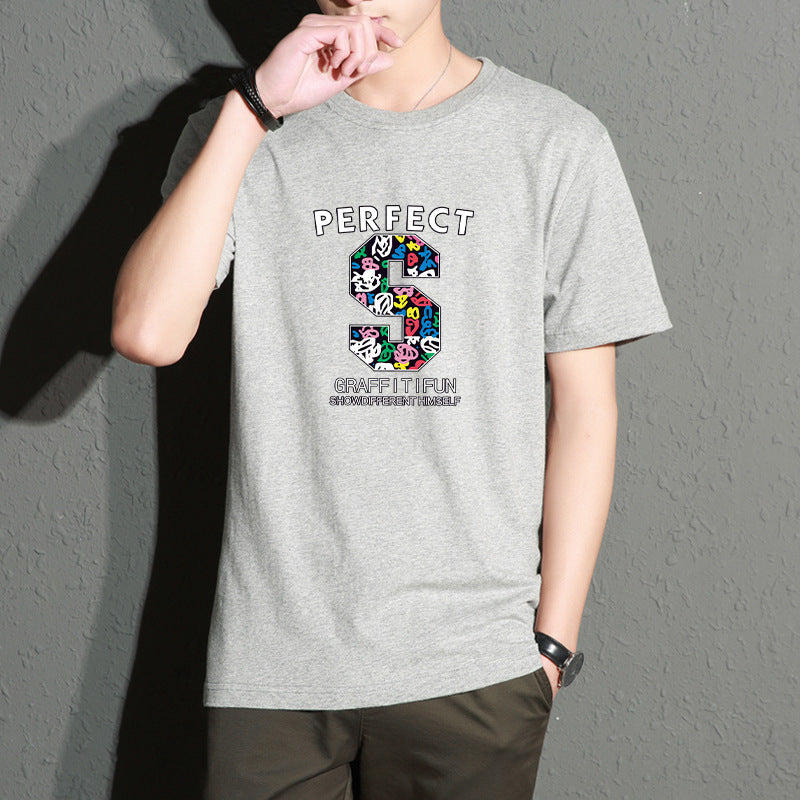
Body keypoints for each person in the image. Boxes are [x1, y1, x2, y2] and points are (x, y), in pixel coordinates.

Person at [111, 1, 672, 797]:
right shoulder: (237, 127)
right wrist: (253, 109)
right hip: (274, 667)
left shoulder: (554, 140)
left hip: (474, 666)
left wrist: (551, 647)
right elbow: (147, 332)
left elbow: (587, 407)